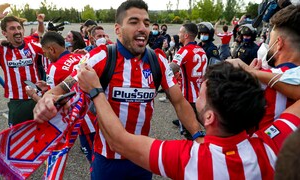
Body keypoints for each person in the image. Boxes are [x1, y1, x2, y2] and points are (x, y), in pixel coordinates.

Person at [33, 0, 200, 179]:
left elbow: (179, 102)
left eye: (146, 23)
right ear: (118, 29)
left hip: (143, 157)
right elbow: (61, 88)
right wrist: (48, 98)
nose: (142, 28)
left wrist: (198, 136)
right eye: (134, 22)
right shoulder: (100, 57)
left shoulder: (157, 60)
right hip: (107, 160)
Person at [75, 61, 300, 179]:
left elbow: (119, 140)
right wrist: (255, 75)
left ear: (209, 117)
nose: (196, 96)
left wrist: (96, 91)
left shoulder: (192, 160)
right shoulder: (273, 142)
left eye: (201, 94)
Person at [227, 4, 300, 133]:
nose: (267, 46)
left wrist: (247, 77)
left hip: (263, 150)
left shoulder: (260, 80)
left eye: (269, 41)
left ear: (279, 43)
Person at [0, 4, 45, 126]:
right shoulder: (0, 49)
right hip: (18, 102)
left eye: (18, 28)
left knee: (42, 137)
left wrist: (40, 22)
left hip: (38, 97)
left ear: (23, 30)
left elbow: (41, 34)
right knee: (19, 140)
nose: (17, 31)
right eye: (12, 28)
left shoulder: (32, 44)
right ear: (4, 33)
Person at [169, 23, 207, 138]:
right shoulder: (201, 50)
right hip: (201, 96)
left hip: (189, 98)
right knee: (207, 125)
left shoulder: (183, 51)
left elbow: (171, 69)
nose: (178, 35)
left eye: (180, 32)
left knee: (191, 132)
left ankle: (198, 153)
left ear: (186, 35)